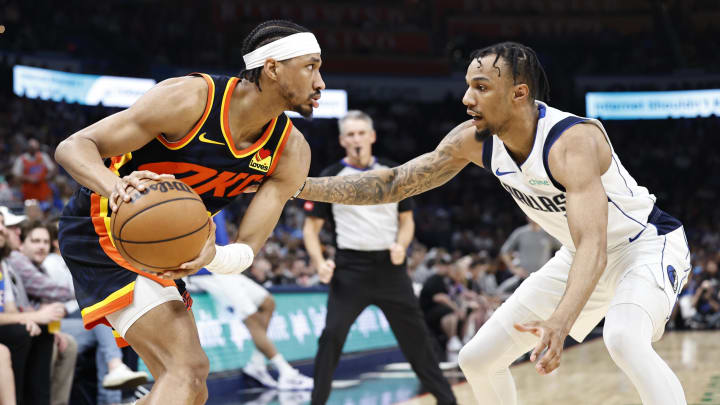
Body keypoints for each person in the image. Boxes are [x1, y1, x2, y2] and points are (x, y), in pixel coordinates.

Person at [297, 42, 691, 405]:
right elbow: (396, 183)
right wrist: (299, 186)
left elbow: (595, 245)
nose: (467, 99)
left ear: (519, 93)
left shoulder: (572, 142)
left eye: (481, 87)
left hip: (645, 245)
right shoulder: (475, 140)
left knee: (623, 338)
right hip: (579, 256)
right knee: (478, 359)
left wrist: (560, 322)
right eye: (468, 86)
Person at [54, 19, 324, 405]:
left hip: (160, 248)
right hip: (104, 225)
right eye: (310, 66)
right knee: (186, 370)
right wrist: (116, 187)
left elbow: (248, 247)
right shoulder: (192, 99)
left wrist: (212, 255)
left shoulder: (290, 151)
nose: (320, 83)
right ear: (273, 67)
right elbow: (74, 146)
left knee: (191, 383)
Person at [302, 110, 456, 405]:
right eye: (350, 134)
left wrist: (402, 244)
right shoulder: (331, 177)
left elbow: (407, 220)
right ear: (341, 140)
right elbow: (311, 229)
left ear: (372, 136)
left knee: (417, 341)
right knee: (331, 336)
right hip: (350, 270)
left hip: (390, 269)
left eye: (361, 133)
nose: (356, 139)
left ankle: (448, 401)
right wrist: (320, 263)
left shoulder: (392, 172)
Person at [43, 222, 149, 404]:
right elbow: (56, 293)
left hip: (77, 316)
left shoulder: (73, 258)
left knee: (109, 325)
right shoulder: (51, 262)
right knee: (103, 319)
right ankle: (114, 388)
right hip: (61, 317)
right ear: (57, 240)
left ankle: (115, 392)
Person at [188, 273, 314, 390]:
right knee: (252, 319)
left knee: (268, 302)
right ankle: (286, 373)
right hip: (206, 274)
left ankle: (256, 363)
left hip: (227, 268)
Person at [8, 221, 78, 405]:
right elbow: (48, 290)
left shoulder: (41, 266)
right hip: (22, 324)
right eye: (36, 241)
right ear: (22, 244)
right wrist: (87, 290)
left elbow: (40, 302)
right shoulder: (16, 259)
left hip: (33, 321)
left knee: (66, 343)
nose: (42, 246)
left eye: (46, 242)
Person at [0, 209, 61, 405]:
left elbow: (9, 308)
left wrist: (28, 319)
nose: (6, 230)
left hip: (10, 322)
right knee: (20, 334)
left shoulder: (2, 263)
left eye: (4, 224)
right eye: (3, 225)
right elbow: (58, 292)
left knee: (42, 330)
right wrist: (31, 317)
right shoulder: (15, 260)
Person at [500, 217, 561, 290]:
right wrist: (514, 269)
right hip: (524, 277)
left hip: (543, 277)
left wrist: (555, 268)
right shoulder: (520, 233)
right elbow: (504, 251)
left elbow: (564, 249)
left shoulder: (548, 233)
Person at [12, 138, 57, 203]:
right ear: (28, 148)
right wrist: (28, 178)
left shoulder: (43, 156)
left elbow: (52, 169)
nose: (33, 150)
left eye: (35, 148)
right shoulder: (21, 159)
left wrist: (47, 176)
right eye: (31, 148)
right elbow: (15, 175)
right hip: (28, 191)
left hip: (42, 189)